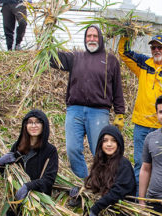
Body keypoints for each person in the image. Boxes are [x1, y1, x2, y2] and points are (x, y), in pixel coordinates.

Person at [52, 25, 125, 179]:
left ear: (100, 38)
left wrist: (120, 113)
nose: (91, 39)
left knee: (100, 151)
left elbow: (117, 88)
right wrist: (48, 32)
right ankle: (82, 183)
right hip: (75, 110)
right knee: (72, 149)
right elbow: (52, 58)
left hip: (98, 112)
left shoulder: (110, 60)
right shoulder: (75, 57)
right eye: (88, 36)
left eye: (95, 36)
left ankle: (102, 183)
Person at [0, 109, 59, 216]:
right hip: (15, 208)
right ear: (25, 126)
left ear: (44, 126)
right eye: (30, 122)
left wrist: (29, 186)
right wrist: (1, 164)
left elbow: (48, 180)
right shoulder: (17, 147)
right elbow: (7, 176)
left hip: (39, 209)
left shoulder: (50, 151)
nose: (33, 125)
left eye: (37, 122)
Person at [71, 125, 135, 216]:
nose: (109, 144)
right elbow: (92, 186)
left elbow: (117, 192)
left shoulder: (124, 164)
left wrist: (95, 208)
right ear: (100, 143)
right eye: (105, 140)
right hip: (101, 214)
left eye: (113, 140)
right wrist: (79, 192)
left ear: (119, 143)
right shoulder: (99, 162)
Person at [118, 34, 162, 185]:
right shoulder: (144, 63)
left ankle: (154, 200)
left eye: (160, 47)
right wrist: (126, 32)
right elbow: (124, 53)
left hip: (161, 127)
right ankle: (140, 199)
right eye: (153, 47)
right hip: (141, 124)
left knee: (159, 165)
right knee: (140, 164)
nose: (156, 50)